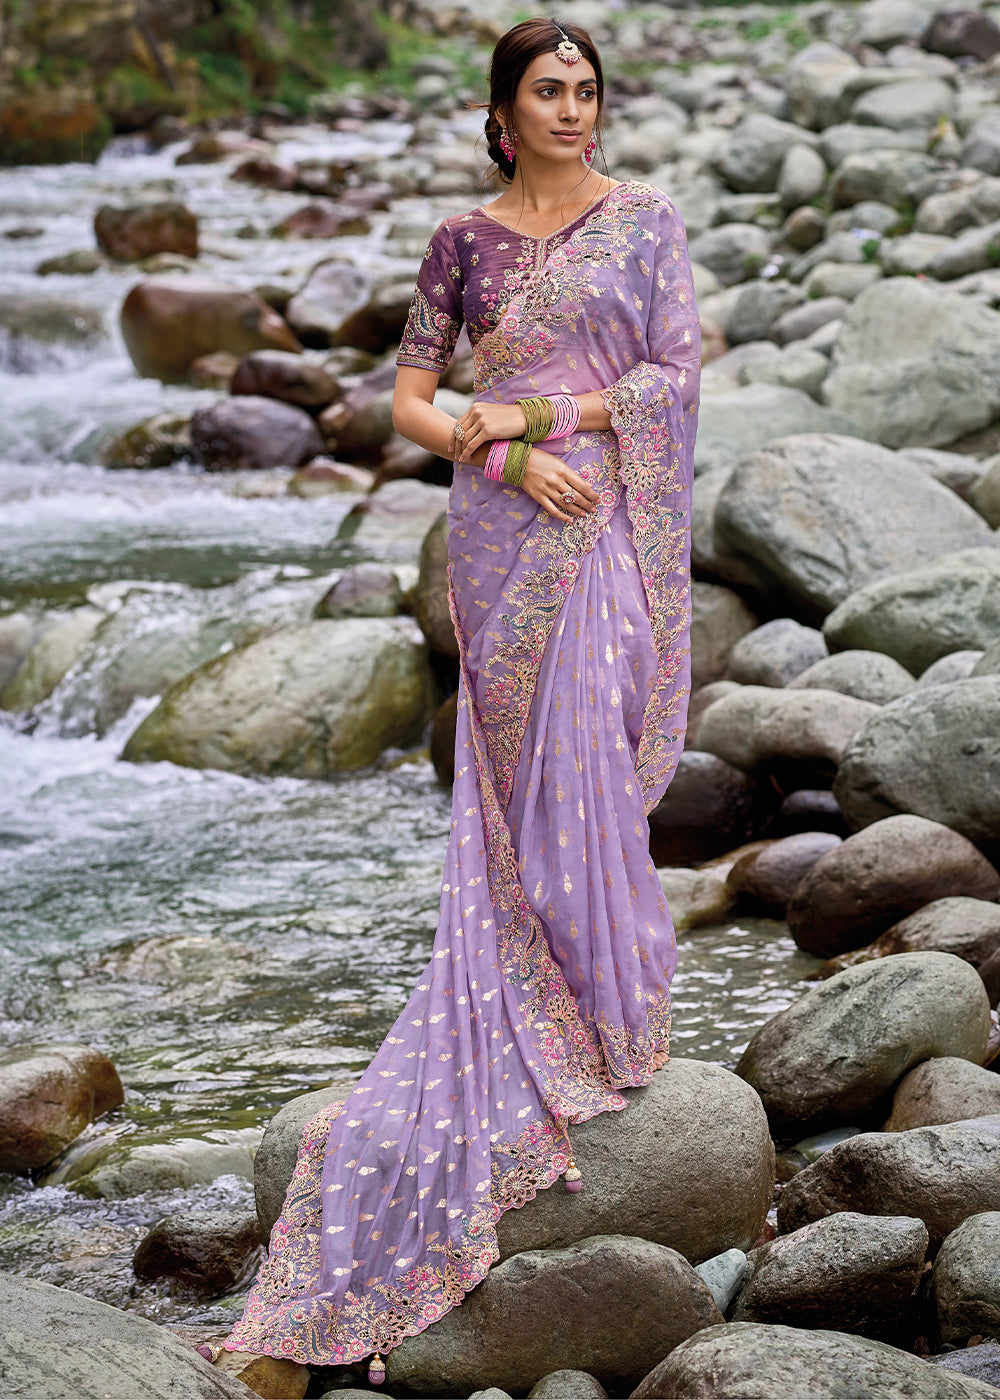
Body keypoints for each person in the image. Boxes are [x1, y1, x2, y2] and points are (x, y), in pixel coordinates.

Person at [223, 15, 700, 1385]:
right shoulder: (462, 242)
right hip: (501, 538)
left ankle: (607, 1004)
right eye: (547, 90)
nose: (572, 109)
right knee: (517, 776)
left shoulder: (646, 223)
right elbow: (414, 401)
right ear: (501, 111)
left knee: (592, 753)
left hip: (598, 513)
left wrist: (548, 426)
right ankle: (545, 1002)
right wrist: (495, 461)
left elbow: (671, 377)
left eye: (588, 90)